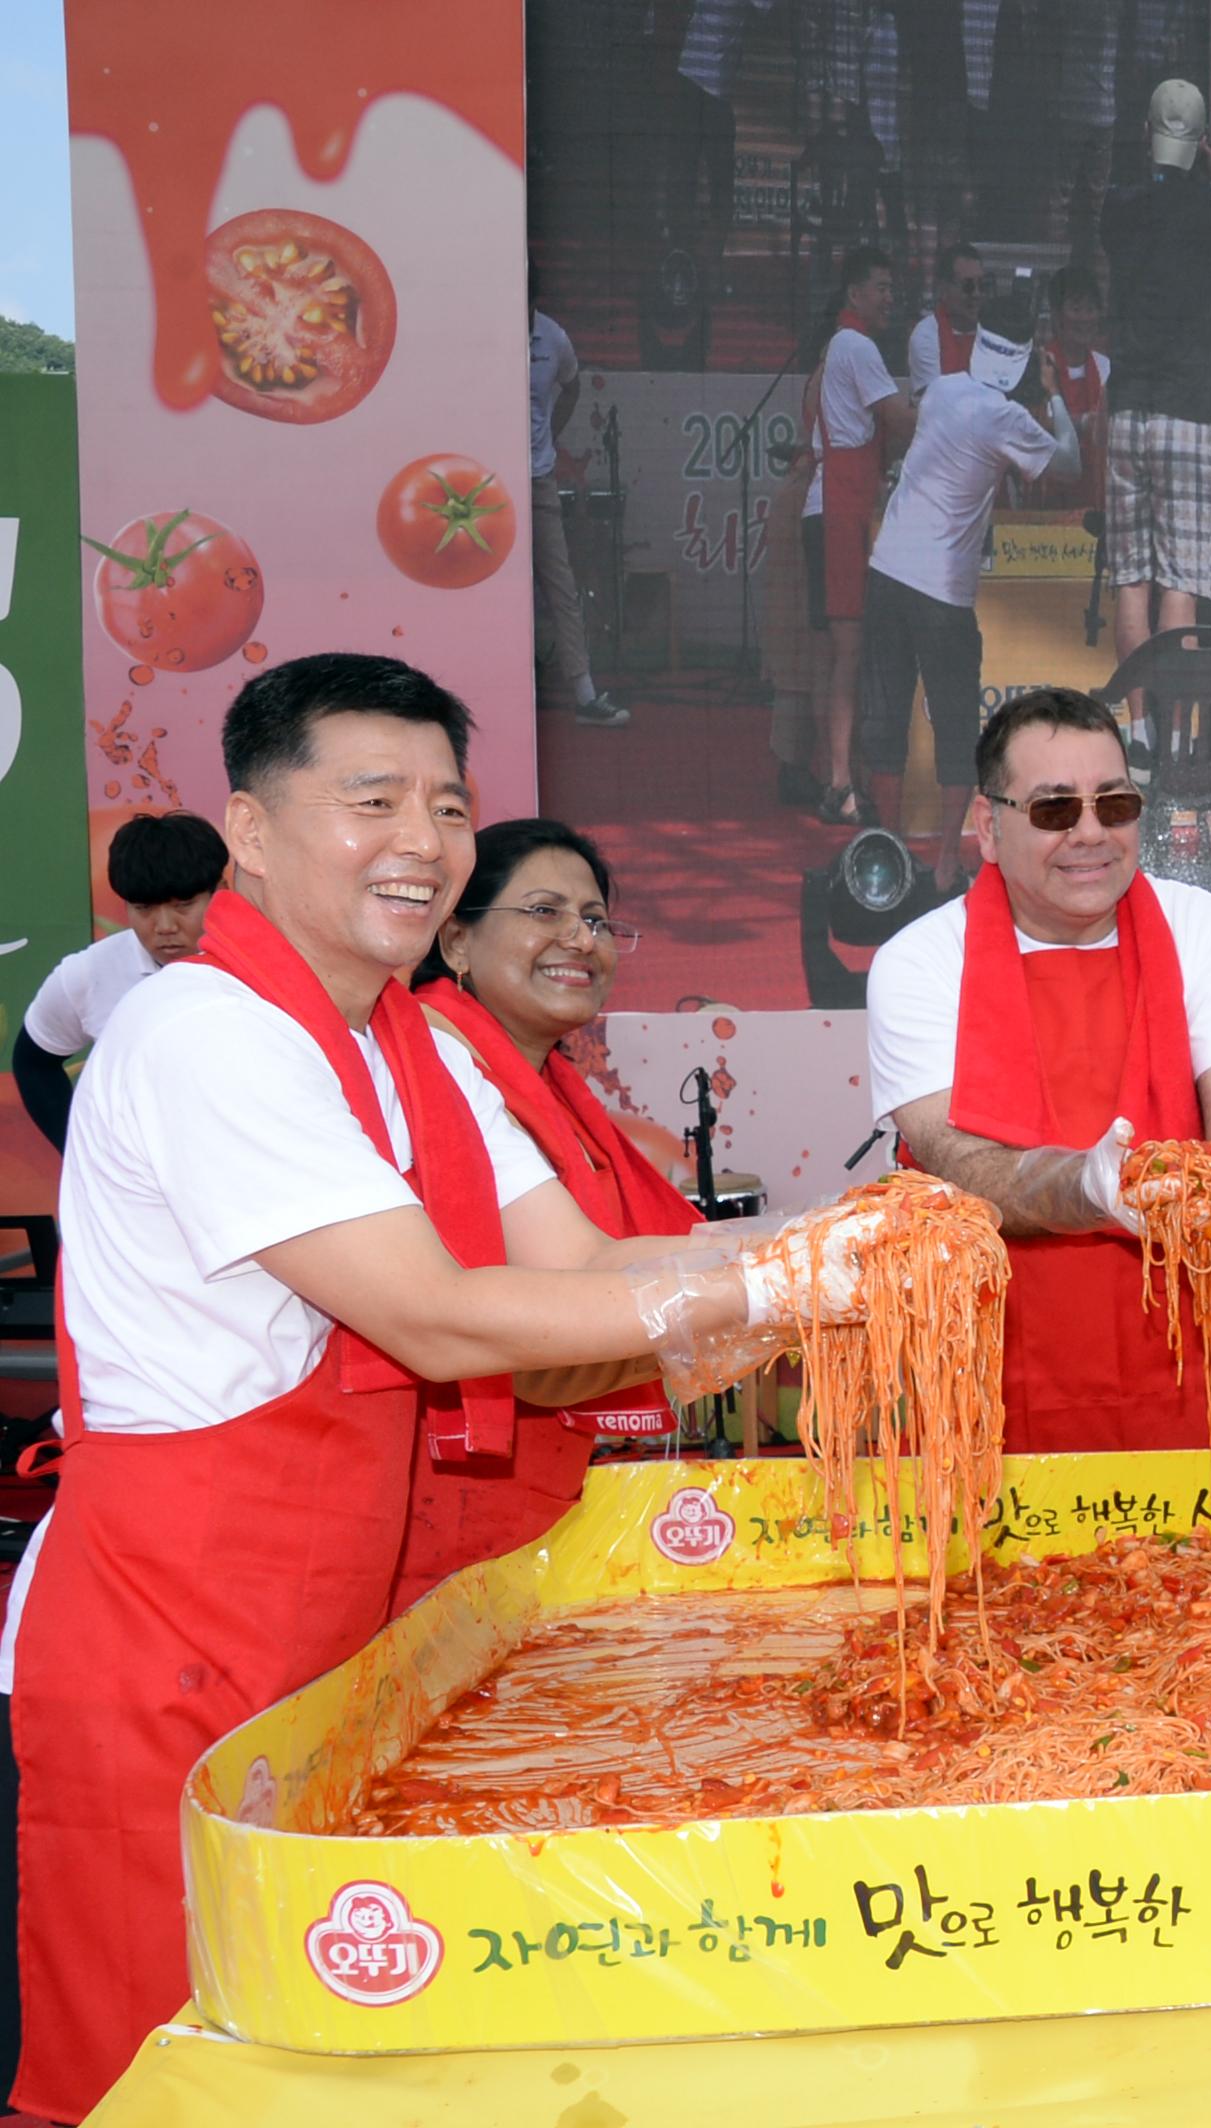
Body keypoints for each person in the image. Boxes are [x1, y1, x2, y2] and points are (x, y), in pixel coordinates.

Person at [4, 654, 871, 2122]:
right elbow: (439, 1319)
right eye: (373, 800)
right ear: (253, 832)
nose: (423, 838)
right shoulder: (209, 1033)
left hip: (331, 1624)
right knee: (160, 2061)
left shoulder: (412, 1047)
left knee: (313, 2058)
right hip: (175, 1634)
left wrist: (857, 1235)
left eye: (449, 804)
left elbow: (591, 1258)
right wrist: (789, 1291)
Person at [864, 688, 1211, 1452]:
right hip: (987, 1372)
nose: (1091, 833)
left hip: (1189, 1363)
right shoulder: (920, 962)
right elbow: (956, 1161)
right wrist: (1089, 1186)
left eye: (1114, 805)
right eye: (1056, 810)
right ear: (990, 827)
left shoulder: (1207, 931)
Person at [406, 819, 698, 1609]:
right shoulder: (433, 1061)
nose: (581, 938)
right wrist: (790, 1281)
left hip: (531, 1490)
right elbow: (567, 1285)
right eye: (543, 912)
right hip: (441, 1501)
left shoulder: (555, 1090)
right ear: (457, 942)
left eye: (597, 920)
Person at [858, 291, 1070, 894]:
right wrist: (1052, 391)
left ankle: (890, 857)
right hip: (941, 590)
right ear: (1028, 356)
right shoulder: (1007, 419)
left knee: (886, 719)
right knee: (955, 728)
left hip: (888, 568)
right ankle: (948, 864)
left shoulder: (945, 390)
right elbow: (1072, 463)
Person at [1098, 78, 1211, 704]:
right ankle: (1176, 739)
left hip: (1128, 404)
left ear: (1146, 133)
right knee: (1181, 579)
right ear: (1202, 141)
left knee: (1132, 579)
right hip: (1187, 409)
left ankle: (1137, 732)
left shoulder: (1118, 203)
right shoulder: (1208, 202)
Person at [12, 814, 226, 1155]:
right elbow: (33, 1062)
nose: (165, 926)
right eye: (144, 909)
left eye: (184, 905)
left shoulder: (269, 964)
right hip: (144, 1185)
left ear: (221, 892)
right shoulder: (90, 972)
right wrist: (82, 1159)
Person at [803, 248, 917, 828]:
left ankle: (833, 774)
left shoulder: (834, 348)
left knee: (831, 653)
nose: (889, 296)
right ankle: (842, 783)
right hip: (842, 502)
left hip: (829, 500)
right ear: (853, 292)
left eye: (892, 287)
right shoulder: (857, 346)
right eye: (881, 286)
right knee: (847, 652)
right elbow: (901, 420)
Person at [528, 284, 626, 728]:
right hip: (487, 483)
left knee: (561, 585)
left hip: (537, 475)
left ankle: (585, 693)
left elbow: (572, 386)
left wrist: (550, 432)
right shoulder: (488, 331)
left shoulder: (553, 338)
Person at [1046, 265, 1113, 518]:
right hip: (1045, 500)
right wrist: (1083, 423)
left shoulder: (1105, 367)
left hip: (1094, 502)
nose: (1085, 318)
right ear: (1056, 315)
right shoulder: (1039, 366)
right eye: (1076, 308)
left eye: (1090, 309)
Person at [906, 240, 986, 395]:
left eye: (982, 285)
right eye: (968, 286)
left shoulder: (994, 332)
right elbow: (938, 404)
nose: (977, 294)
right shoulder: (926, 334)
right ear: (943, 290)